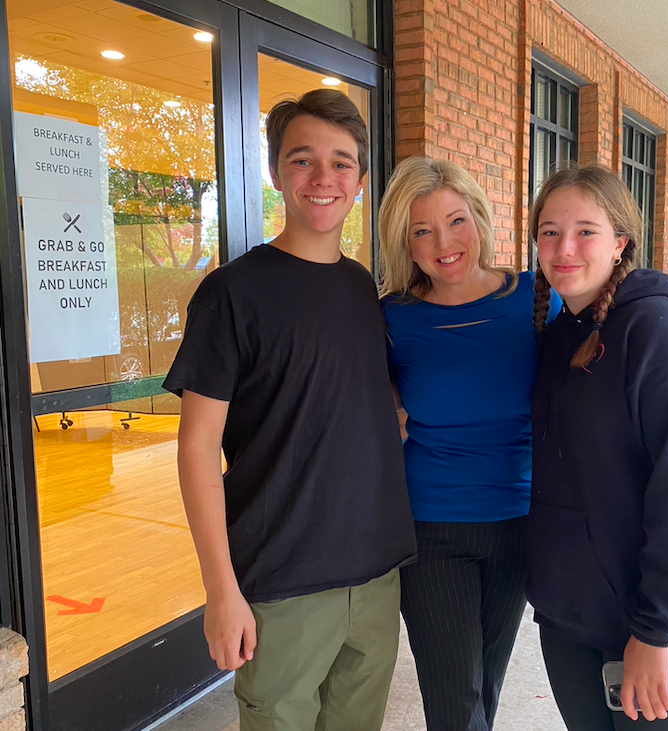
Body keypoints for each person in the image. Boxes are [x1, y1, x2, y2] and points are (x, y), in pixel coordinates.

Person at [163, 90, 417, 731]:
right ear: (276, 174)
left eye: (341, 162)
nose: (323, 177)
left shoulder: (363, 285)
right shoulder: (231, 293)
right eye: (303, 160)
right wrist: (221, 589)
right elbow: (196, 448)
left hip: (376, 570)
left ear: (360, 179)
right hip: (282, 582)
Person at [527, 165, 668, 731]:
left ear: (621, 242)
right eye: (549, 231)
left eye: (585, 231)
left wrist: (656, 632)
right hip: (576, 618)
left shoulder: (660, 336)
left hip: (660, 629)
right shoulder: (564, 333)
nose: (563, 247)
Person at [378, 157, 560, 731]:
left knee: (487, 685)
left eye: (456, 221)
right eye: (422, 231)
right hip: (431, 529)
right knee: (455, 698)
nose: (444, 243)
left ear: (479, 219)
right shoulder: (393, 318)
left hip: (519, 520)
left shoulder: (537, 300)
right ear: (405, 244)